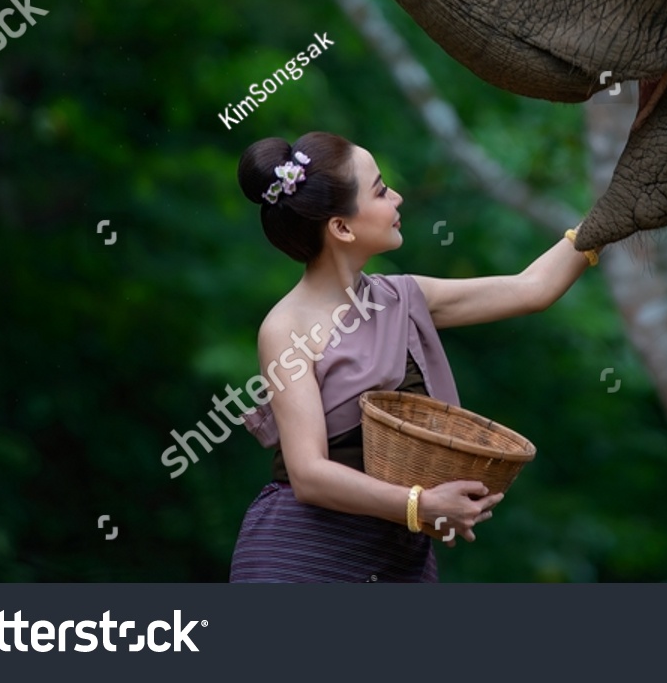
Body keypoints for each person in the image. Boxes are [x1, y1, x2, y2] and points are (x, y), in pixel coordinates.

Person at [228, 131, 600, 582]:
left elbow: (531, 289)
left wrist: (607, 219)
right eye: (382, 190)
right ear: (342, 228)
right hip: (303, 557)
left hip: (396, 557)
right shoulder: (286, 328)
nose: (398, 197)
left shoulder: (400, 296)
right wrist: (421, 505)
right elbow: (308, 474)